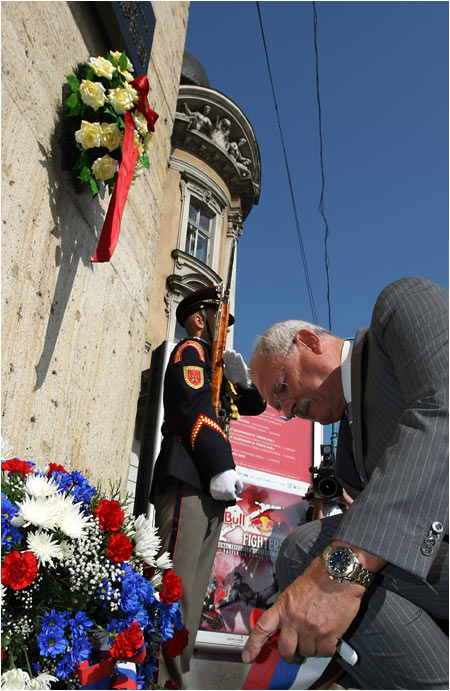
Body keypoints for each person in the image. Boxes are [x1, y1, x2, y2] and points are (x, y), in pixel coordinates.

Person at [243, 276, 448, 689]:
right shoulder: (348, 462)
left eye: (281, 389)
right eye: (279, 408)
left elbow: (442, 406)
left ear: (307, 341)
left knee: (308, 550)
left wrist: (339, 571)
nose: (286, 410)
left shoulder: (399, 308)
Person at [150, 285, 266, 689]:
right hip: (189, 474)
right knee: (177, 587)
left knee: (194, 594)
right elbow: (193, 407)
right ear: (200, 319)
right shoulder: (190, 353)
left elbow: (253, 405)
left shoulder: (212, 363)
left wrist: (243, 381)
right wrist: (221, 465)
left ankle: (172, 680)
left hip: (207, 482)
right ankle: (158, 677)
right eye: (220, 318)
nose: (225, 328)